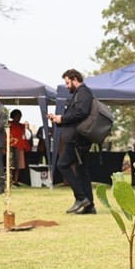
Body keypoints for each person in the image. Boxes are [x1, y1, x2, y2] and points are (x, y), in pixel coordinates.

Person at [48, 69, 97, 214]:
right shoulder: (80, 93)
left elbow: (81, 112)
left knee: (62, 165)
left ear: (75, 79)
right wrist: (58, 119)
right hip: (79, 138)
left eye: (68, 82)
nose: (67, 86)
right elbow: (76, 115)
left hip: (77, 140)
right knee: (82, 171)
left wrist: (61, 118)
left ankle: (81, 198)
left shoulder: (84, 92)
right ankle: (89, 206)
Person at [9, 108, 30, 186]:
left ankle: (16, 181)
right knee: (11, 164)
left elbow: (23, 136)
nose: (19, 118)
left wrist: (26, 147)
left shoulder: (22, 126)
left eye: (20, 116)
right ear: (13, 116)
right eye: (17, 116)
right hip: (11, 146)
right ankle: (10, 181)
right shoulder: (9, 124)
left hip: (20, 146)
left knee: (19, 164)